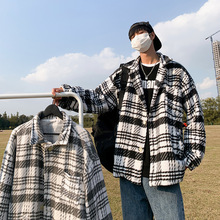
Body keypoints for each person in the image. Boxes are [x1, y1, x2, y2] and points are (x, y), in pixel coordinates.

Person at [52, 21, 206, 220]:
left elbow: (195, 115)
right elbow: (98, 98)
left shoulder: (177, 72)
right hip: (129, 166)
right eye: (132, 36)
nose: (136, 38)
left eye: (140, 33)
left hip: (164, 166)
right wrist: (67, 94)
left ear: (152, 35)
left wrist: (191, 155)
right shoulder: (125, 72)